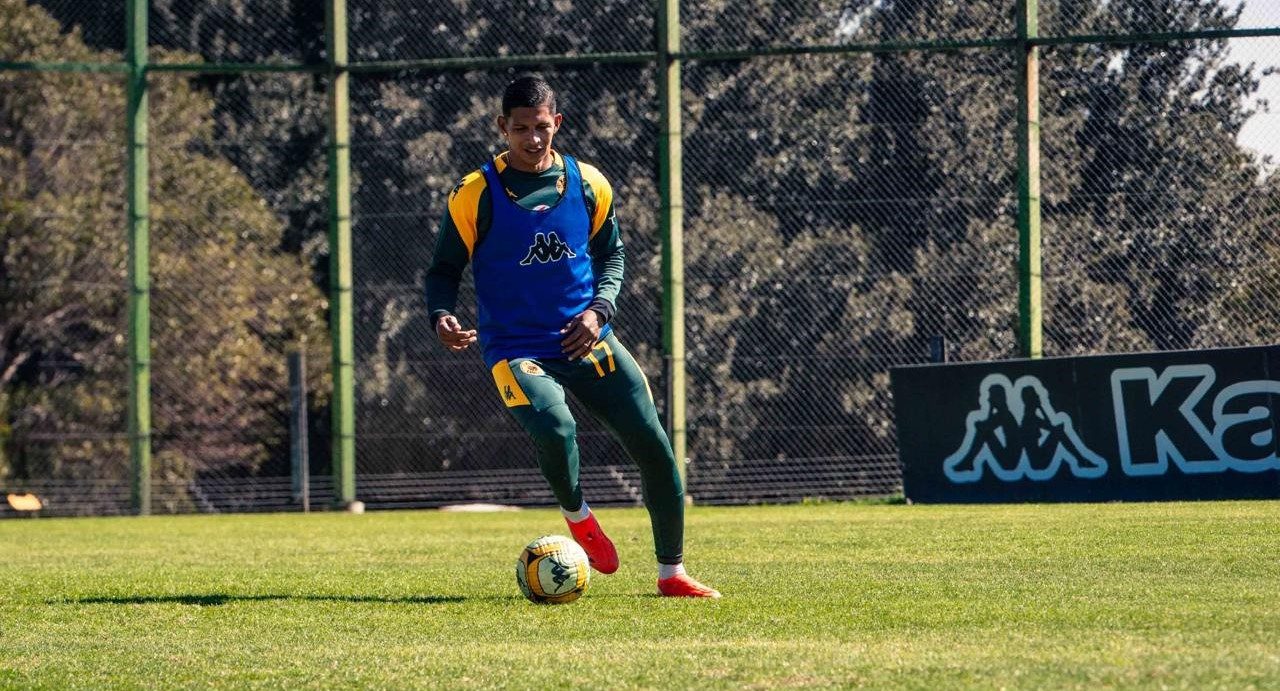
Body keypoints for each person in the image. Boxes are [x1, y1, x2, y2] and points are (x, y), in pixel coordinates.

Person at [425, 75, 719, 598]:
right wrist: (441, 314)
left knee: (655, 447)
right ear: (502, 128)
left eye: (542, 127)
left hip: (586, 339)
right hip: (514, 348)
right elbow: (444, 269)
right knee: (556, 426)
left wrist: (599, 311)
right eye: (521, 129)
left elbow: (614, 256)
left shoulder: (588, 183)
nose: (533, 140)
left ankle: (672, 574)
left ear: (556, 123)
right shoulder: (474, 194)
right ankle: (578, 515)